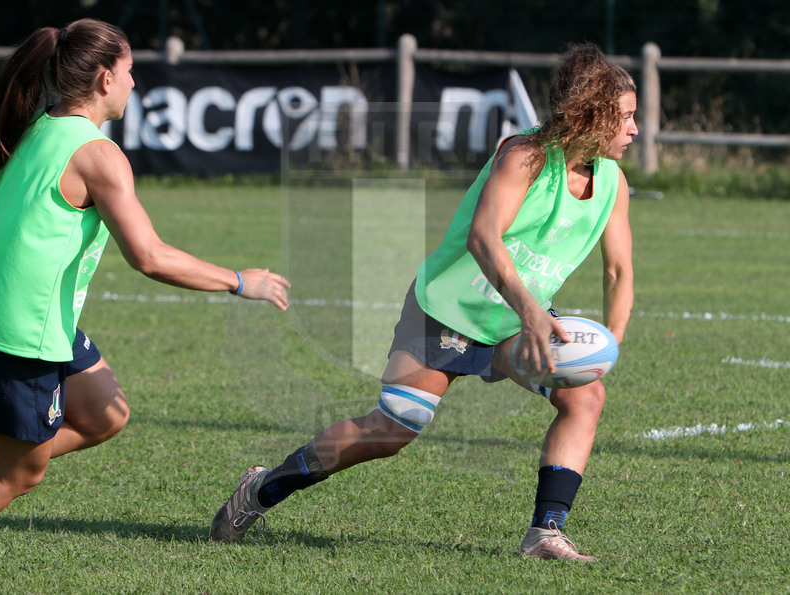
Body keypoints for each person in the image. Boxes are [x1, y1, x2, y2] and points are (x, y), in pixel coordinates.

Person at [209, 42, 636, 561]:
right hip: (448, 310)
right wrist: (530, 312)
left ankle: (546, 532)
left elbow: (619, 271)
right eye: (626, 117)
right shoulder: (524, 157)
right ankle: (263, 488)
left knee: (586, 397)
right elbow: (483, 238)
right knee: (392, 429)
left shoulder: (613, 183)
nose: (635, 129)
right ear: (594, 114)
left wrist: (608, 346)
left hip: (513, 322)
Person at [0, 18, 291, 520]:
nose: (134, 82)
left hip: (27, 317)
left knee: (103, 413)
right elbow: (148, 256)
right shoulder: (98, 155)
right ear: (106, 78)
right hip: (22, 333)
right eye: (130, 70)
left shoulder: (39, 123)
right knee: (17, 476)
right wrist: (240, 281)